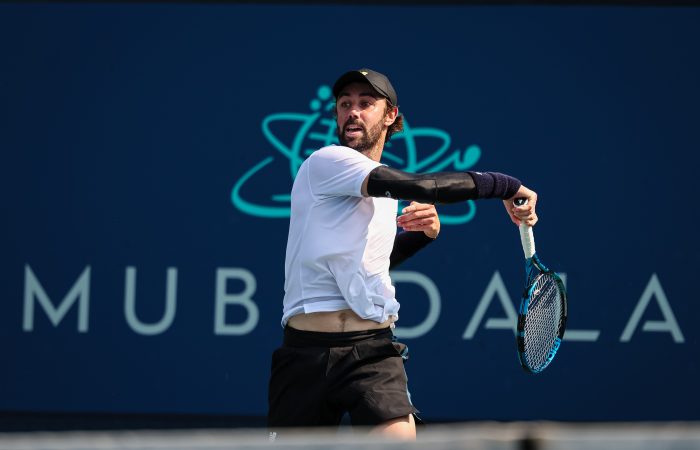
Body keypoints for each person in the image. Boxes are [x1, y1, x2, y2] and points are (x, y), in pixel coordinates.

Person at [268, 68, 538, 440]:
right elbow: (423, 185)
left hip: (372, 350)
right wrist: (504, 185)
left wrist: (423, 237)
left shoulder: (381, 198)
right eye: (345, 104)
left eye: (366, 103)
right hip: (305, 354)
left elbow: (368, 268)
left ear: (391, 115)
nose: (353, 112)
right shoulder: (326, 162)